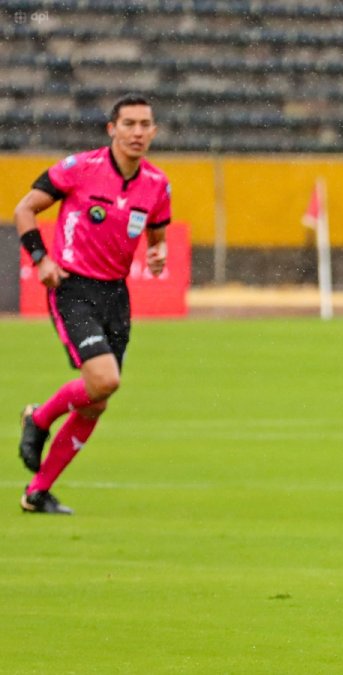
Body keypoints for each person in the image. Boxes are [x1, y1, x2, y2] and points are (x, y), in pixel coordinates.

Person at [15, 93, 171, 515]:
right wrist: (40, 258)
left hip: (116, 294)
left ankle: (37, 492)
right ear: (112, 129)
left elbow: (157, 234)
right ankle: (40, 418)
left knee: (96, 400)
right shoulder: (80, 169)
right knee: (105, 380)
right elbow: (25, 209)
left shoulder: (157, 184)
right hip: (73, 287)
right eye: (129, 124)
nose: (138, 132)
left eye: (145, 125)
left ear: (154, 131)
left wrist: (158, 253)